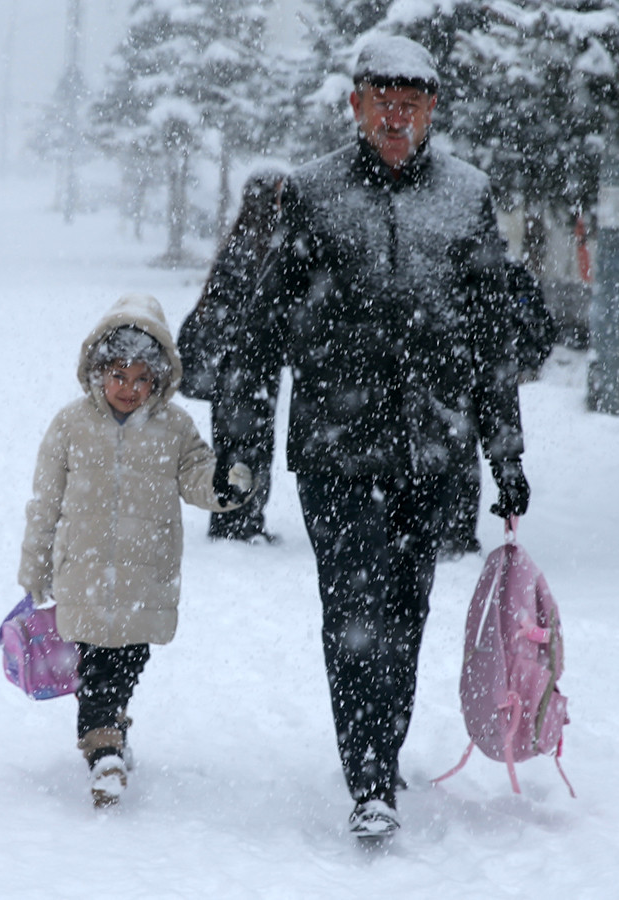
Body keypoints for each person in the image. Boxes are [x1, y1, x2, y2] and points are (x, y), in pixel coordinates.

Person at [216, 34, 531, 841]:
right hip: (336, 448)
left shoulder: (466, 195)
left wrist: (506, 454)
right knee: (352, 610)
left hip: (432, 449)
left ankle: (381, 749)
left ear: (432, 110)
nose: (396, 117)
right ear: (354, 106)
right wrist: (242, 446)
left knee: (405, 609)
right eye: (382, 102)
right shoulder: (313, 192)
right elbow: (262, 329)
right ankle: (367, 777)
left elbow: (491, 337)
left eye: (411, 103)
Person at [19, 293, 252, 809]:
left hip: (145, 575)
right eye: (119, 376)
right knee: (96, 664)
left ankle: (112, 724)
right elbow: (45, 502)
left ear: (159, 380)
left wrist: (226, 485)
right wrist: (35, 565)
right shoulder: (70, 425)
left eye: (142, 379)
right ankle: (104, 752)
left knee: (126, 662)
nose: (129, 389)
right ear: (98, 372)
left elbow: (197, 476)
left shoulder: (174, 429)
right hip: (84, 574)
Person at [178, 169, 288, 543]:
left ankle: (236, 520)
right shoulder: (256, 249)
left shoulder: (245, 243)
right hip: (244, 370)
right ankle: (238, 524)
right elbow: (245, 315)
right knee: (246, 449)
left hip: (238, 370)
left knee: (237, 447)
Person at [439, 260, 557, 558]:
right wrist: (507, 465)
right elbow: (495, 375)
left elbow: (495, 371)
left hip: (371, 466)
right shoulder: (481, 266)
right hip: (439, 460)